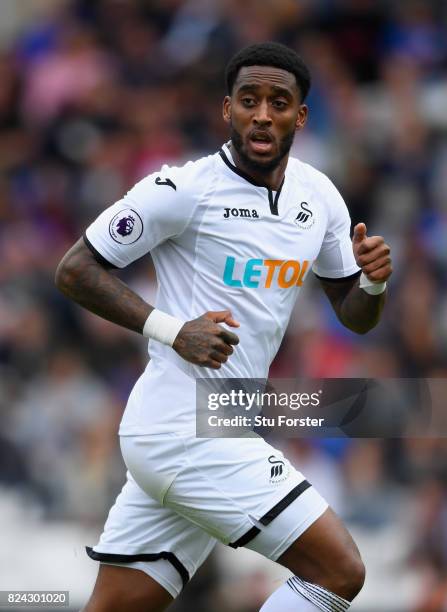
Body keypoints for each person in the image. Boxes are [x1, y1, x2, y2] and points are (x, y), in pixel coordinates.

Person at [56, 42, 392, 612]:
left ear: (300, 116)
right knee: (338, 571)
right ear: (227, 110)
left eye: (279, 102)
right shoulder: (184, 190)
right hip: (180, 424)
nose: (263, 114)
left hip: (220, 424)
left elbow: (353, 316)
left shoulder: (321, 197)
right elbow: (74, 270)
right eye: (249, 100)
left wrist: (375, 283)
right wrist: (172, 329)